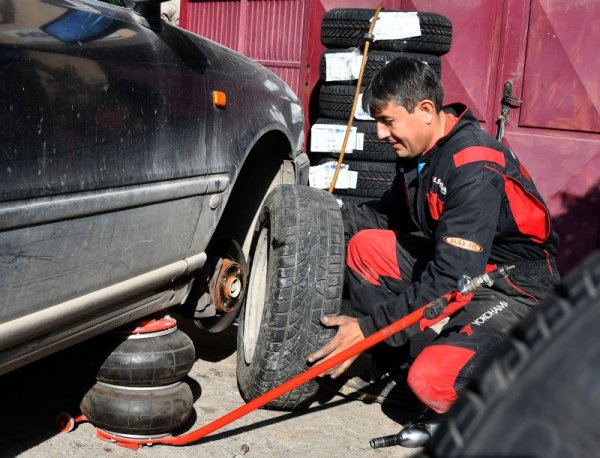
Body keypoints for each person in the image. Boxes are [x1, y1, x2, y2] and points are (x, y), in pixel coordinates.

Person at [307, 57, 560, 447]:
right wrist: (319, 217)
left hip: (514, 287)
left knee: (433, 379)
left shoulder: (474, 166)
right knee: (365, 248)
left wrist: (369, 327)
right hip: (466, 268)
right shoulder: (419, 155)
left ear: (425, 111)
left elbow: (450, 280)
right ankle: (392, 364)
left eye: (387, 121)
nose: (379, 133)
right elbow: (388, 213)